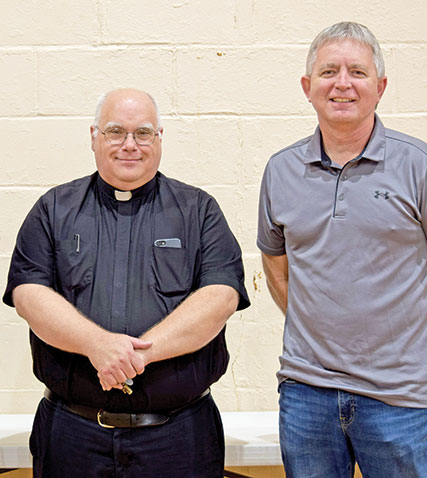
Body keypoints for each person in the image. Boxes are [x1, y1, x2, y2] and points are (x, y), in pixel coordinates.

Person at [257, 22, 427, 478]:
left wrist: (412, 344)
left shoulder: (423, 167)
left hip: (398, 400)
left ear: (380, 87)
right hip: (307, 394)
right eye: (328, 72)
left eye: (357, 72)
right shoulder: (280, 170)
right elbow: (277, 268)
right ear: (307, 87)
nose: (342, 83)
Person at [3, 88, 250, 478]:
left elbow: (220, 297)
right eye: (115, 131)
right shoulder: (54, 209)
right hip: (72, 433)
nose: (129, 145)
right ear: (94, 136)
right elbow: (29, 294)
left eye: (143, 133)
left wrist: (135, 357)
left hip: (179, 436)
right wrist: (96, 345)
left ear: (160, 138)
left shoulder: (199, 211)